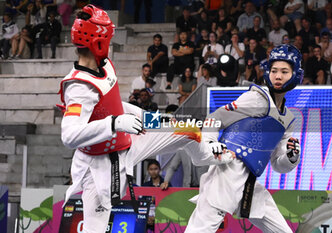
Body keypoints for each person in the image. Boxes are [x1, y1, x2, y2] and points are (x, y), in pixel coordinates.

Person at [60, 5, 235, 233]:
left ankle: (212, 154)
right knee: (95, 228)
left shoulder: (104, 65)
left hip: (129, 140)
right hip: (100, 164)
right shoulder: (79, 86)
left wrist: (146, 117)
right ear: (99, 41)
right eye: (108, 38)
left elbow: (111, 104)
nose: (111, 43)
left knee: (189, 130)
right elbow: (69, 135)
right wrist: (114, 123)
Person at [185, 44, 302, 233]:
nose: (278, 76)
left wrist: (291, 158)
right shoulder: (257, 99)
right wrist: (210, 144)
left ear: (295, 74)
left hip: (250, 184)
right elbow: (214, 118)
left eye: (284, 71)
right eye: (274, 71)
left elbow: (278, 165)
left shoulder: (288, 120)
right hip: (224, 175)